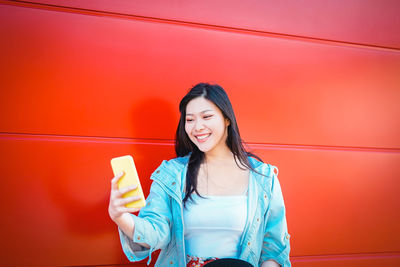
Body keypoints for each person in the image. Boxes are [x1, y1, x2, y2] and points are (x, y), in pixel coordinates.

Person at [108, 83, 291, 267]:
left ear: (227, 119)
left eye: (206, 116)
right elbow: (156, 232)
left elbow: (274, 248)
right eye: (190, 119)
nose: (197, 127)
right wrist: (121, 217)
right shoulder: (172, 174)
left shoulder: (263, 177)